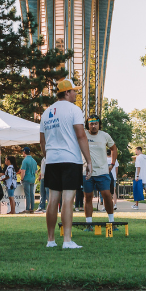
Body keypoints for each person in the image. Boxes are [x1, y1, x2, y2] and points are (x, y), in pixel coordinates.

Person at [39, 78, 92, 250]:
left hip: (52, 160)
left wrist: (48, 156)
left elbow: (42, 141)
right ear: (67, 92)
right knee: (68, 200)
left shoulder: (46, 112)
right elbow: (81, 136)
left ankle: (50, 240)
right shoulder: (74, 109)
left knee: (53, 199)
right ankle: (67, 241)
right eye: (74, 90)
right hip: (70, 160)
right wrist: (89, 161)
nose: (76, 93)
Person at [82, 115, 117, 228]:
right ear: (88, 125)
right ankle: (89, 224)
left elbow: (114, 148)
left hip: (102, 171)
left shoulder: (105, 135)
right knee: (88, 197)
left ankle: (111, 222)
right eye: (91, 124)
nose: (93, 126)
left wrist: (112, 164)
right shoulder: (83, 134)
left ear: (99, 124)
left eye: (95, 124)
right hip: (87, 172)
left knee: (107, 195)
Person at [19, 147, 37, 213]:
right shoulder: (34, 160)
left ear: (24, 152)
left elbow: (23, 171)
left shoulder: (25, 160)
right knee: (32, 194)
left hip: (26, 179)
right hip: (32, 178)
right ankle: (32, 208)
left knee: (27, 194)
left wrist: (21, 179)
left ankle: (27, 208)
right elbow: (36, 171)